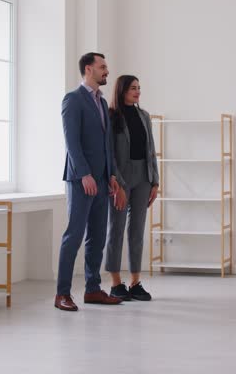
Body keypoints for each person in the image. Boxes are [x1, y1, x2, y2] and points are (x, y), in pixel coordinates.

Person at [55, 52, 125, 312]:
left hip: (103, 180)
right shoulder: (73, 100)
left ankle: (93, 289)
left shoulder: (102, 102)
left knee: (97, 236)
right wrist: (84, 174)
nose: (107, 71)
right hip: (80, 179)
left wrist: (113, 175)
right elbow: (71, 141)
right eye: (102, 67)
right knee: (74, 235)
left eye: (106, 66)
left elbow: (107, 145)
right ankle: (62, 293)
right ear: (88, 69)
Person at [106, 75, 160, 301]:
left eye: (139, 88)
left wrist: (155, 181)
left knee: (137, 230)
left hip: (143, 177)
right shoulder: (110, 116)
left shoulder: (144, 116)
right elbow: (108, 152)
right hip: (120, 179)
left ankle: (135, 282)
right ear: (122, 91)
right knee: (116, 229)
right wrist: (115, 180)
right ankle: (116, 283)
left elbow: (151, 149)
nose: (137, 92)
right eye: (132, 88)